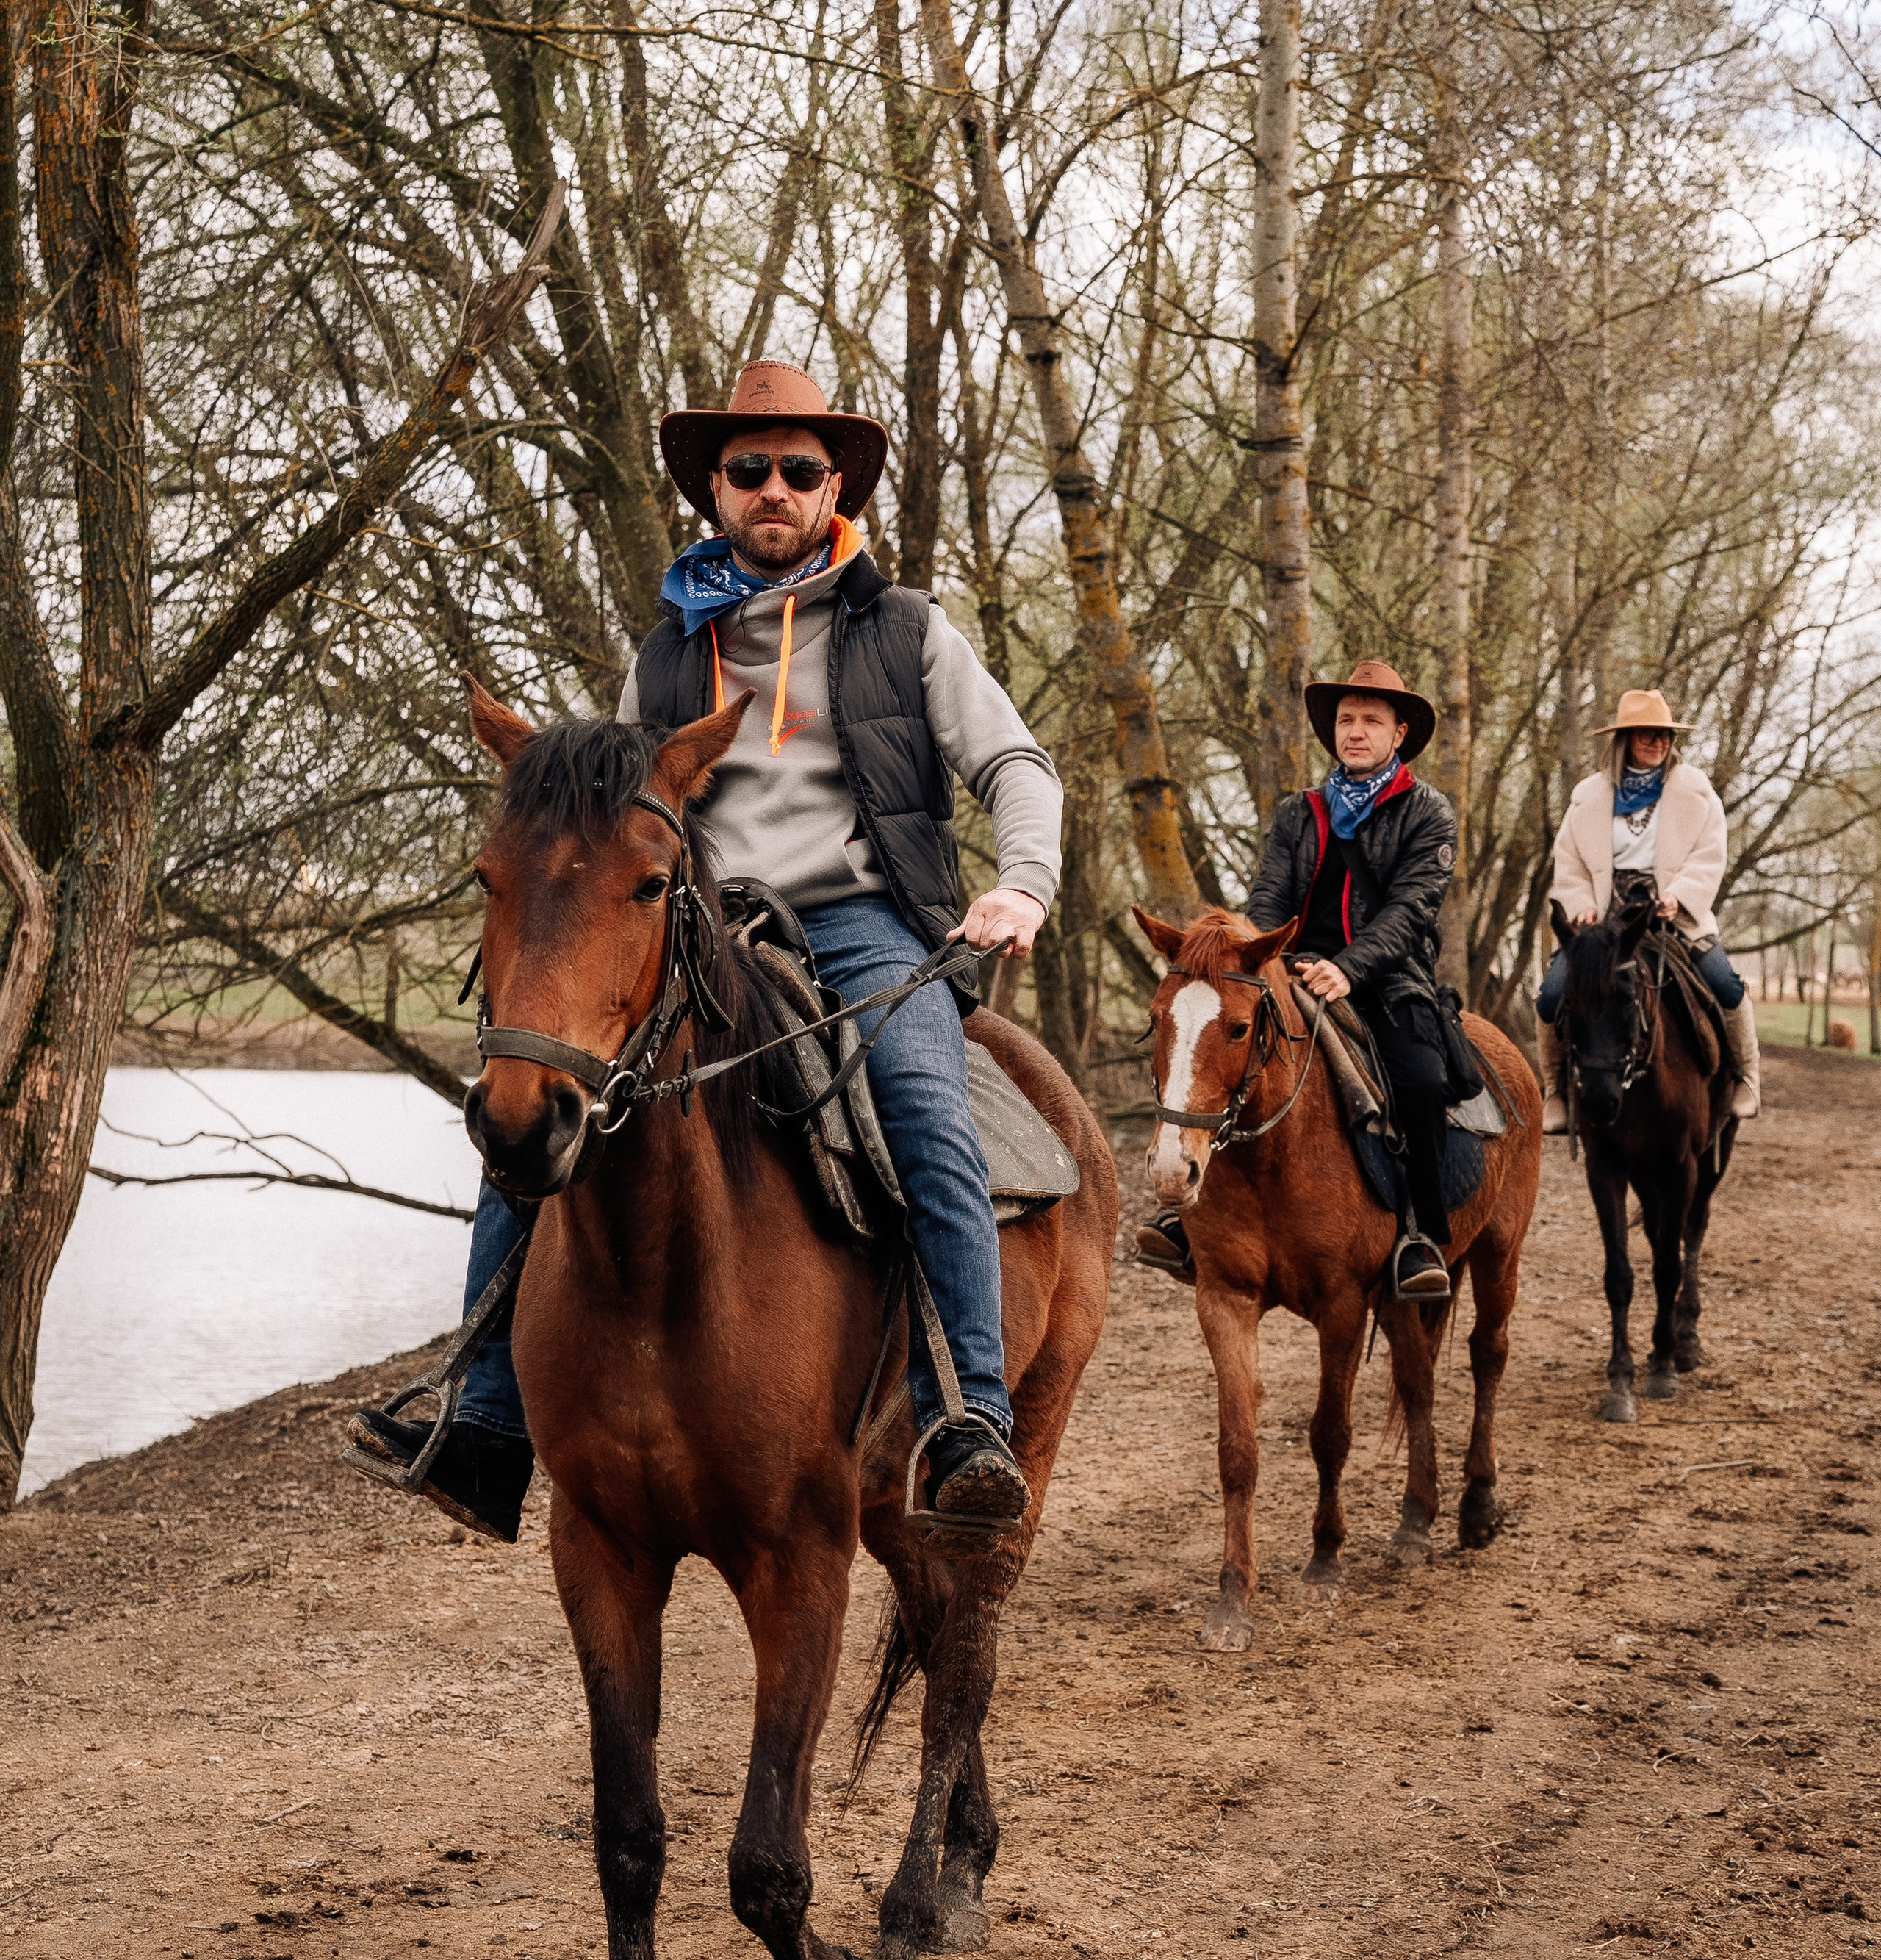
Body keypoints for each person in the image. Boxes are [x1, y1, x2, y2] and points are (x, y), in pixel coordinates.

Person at [350, 359, 1063, 1543]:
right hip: (703, 925)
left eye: (796, 469)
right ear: (717, 493)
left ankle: (965, 1423)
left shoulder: (906, 631)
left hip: (863, 920)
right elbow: (623, 815)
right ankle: (483, 1424)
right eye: (748, 471)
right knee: (528, 1110)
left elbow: (1015, 767)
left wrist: (1020, 886)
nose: (772, 488)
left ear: (832, 486)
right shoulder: (668, 652)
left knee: (930, 1117)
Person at [1140, 658, 1461, 1304]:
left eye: (1372, 720)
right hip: (1287, 971)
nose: (1357, 731)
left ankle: (1421, 1235)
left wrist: (1349, 967)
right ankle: (1189, 1217)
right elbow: (1268, 897)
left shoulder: (1429, 814)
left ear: (1399, 733)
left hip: (1389, 979)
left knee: (1422, 1082)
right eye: (1347, 720)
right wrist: (1264, 960)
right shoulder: (1298, 813)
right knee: (1226, 1061)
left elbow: (1410, 909)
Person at [1536, 687, 1759, 1132]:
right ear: (1625, 740)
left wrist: (1679, 895)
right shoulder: (1588, 798)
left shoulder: (1698, 793)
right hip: (1605, 919)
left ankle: (1746, 1077)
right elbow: (1572, 862)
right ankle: (1556, 1088)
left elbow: (1711, 854)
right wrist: (1581, 907)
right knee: (1552, 995)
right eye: (1646, 734)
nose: (1657, 742)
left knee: (1725, 985)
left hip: (1672, 915)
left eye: (1663, 734)